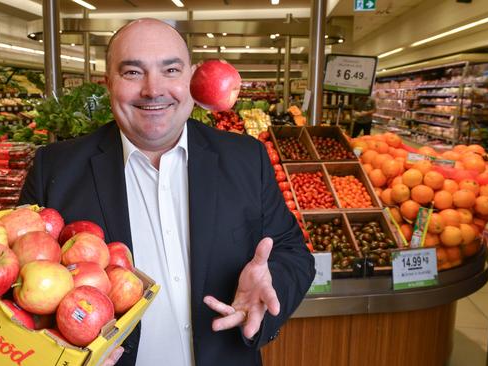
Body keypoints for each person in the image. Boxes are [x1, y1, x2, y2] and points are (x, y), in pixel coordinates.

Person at [20, 18, 314, 366]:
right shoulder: (56, 169)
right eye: (132, 72)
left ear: (191, 78)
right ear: (108, 82)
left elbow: (292, 250)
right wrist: (57, 352)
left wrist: (269, 292)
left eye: (170, 70)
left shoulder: (246, 159)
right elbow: (20, 295)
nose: (153, 89)